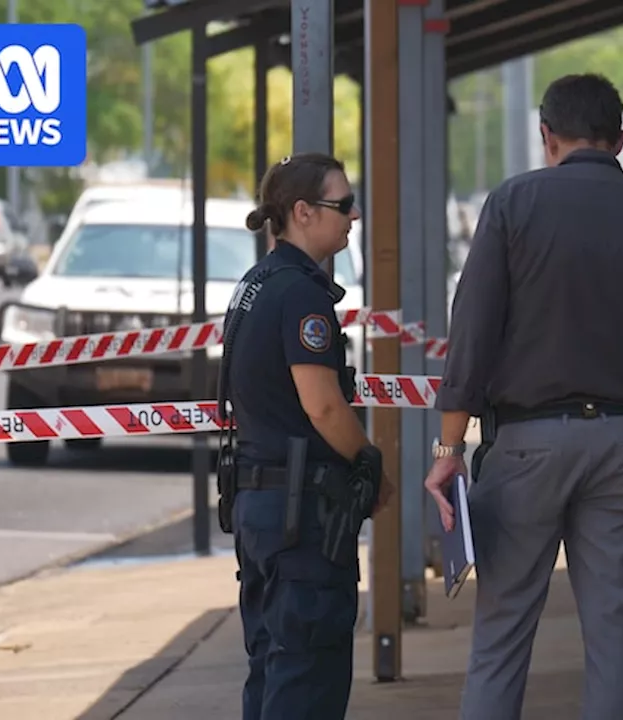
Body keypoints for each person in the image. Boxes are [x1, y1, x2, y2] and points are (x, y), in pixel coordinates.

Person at [423, 74, 623, 720]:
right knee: (614, 638)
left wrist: (449, 447)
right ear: (621, 140)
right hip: (622, 445)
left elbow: (471, 337)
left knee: (501, 638)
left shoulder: (511, 204)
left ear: (545, 136)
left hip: (525, 447)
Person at [217, 152, 392, 720]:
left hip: (262, 509)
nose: (354, 215)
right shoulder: (300, 293)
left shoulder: (254, 285)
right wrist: (369, 462)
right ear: (302, 212)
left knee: (272, 668)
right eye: (342, 205)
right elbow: (321, 403)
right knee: (307, 678)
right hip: (301, 517)